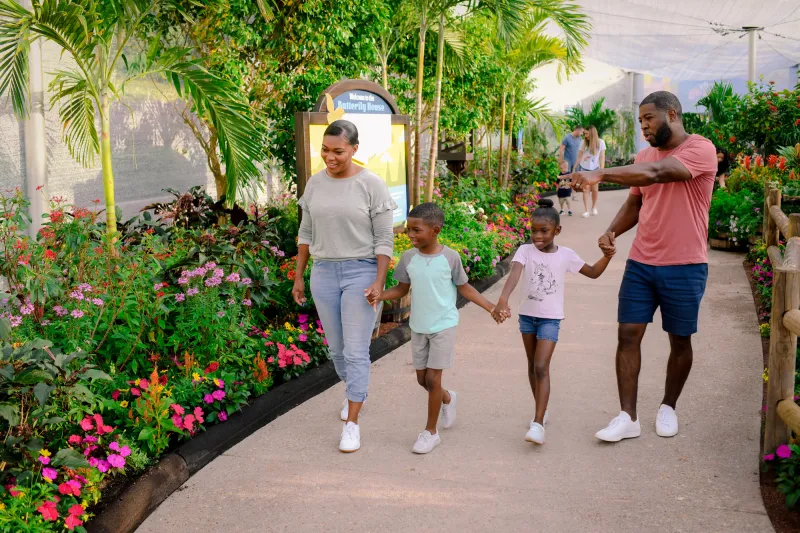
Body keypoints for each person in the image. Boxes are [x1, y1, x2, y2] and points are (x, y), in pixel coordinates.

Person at [568, 91, 718, 443]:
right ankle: (628, 417)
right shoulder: (643, 154)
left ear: (672, 114)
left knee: (679, 340)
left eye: (648, 119)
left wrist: (599, 174)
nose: (644, 127)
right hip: (641, 262)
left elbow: (657, 174)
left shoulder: (700, 149)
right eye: (640, 122)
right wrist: (610, 231)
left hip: (685, 264)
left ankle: (668, 406)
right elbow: (637, 201)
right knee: (627, 335)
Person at [294, 119, 397, 453]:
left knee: (355, 350)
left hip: (361, 273)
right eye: (325, 149)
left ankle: (352, 422)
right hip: (323, 273)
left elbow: (384, 239)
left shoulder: (371, 185)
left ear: (354, 149)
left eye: (338, 151)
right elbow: (306, 233)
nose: (330, 157)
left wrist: (378, 283)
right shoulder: (315, 184)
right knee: (336, 350)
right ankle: (357, 391)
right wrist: (298, 275)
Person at [367, 203, 498, 455]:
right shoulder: (408, 258)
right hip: (419, 327)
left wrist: (490, 306)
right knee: (421, 380)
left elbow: (464, 287)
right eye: (408, 230)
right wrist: (379, 296)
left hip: (444, 326)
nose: (410, 235)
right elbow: (402, 289)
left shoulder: (450, 258)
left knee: (432, 378)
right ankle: (447, 398)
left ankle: (430, 432)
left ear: (435, 230)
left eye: (416, 230)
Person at [492, 198, 615, 445]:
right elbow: (514, 274)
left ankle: (537, 424)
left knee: (541, 366)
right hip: (527, 317)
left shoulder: (566, 255)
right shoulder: (524, 251)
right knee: (531, 365)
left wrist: (607, 257)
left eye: (544, 231)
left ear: (557, 231)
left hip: (550, 320)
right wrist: (503, 299)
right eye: (533, 230)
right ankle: (541, 409)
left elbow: (592, 272)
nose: (537, 236)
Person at [576, 125, 606, 218]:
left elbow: (602, 156)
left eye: (586, 133)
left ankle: (594, 207)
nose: (585, 136)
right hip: (584, 168)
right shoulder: (583, 142)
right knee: (585, 190)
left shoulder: (601, 142)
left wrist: (602, 168)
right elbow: (579, 156)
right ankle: (586, 210)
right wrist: (575, 168)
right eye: (584, 133)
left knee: (595, 190)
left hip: (595, 169)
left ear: (592, 133)